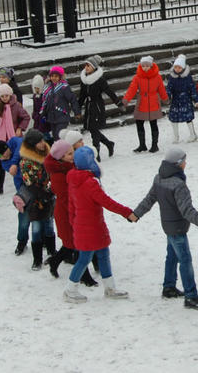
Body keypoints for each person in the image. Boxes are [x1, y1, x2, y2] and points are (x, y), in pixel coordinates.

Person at [131, 146, 198, 310]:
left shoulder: (159, 177)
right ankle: (191, 296)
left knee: (172, 255)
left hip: (167, 225)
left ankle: (169, 287)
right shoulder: (178, 184)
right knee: (185, 260)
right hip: (177, 227)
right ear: (178, 163)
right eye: (184, 161)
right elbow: (186, 209)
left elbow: (149, 199)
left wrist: (136, 214)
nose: (186, 163)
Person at [63, 146, 134, 303]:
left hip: (89, 226)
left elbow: (71, 205)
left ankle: (110, 288)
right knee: (84, 258)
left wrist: (73, 223)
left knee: (103, 254)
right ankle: (70, 290)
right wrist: (127, 212)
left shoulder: (74, 179)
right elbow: (106, 202)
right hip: (90, 227)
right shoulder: (89, 183)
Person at [42, 139, 95, 285]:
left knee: (71, 245)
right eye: (69, 153)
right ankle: (85, 276)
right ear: (61, 157)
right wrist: (78, 211)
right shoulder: (59, 174)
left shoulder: (68, 167)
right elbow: (66, 197)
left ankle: (55, 262)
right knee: (77, 244)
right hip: (68, 213)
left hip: (73, 210)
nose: (73, 155)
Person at [20, 129, 56, 271]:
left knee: (49, 225)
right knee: (36, 229)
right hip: (36, 200)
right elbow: (30, 184)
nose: (42, 143)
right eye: (39, 142)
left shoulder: (48, 155)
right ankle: (37, 259)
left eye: (42, 140)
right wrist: (45, 194)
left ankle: (52, 252)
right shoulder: (26, 162)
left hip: (50, 196)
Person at [78, 54, 120, 160]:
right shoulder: (84, 80)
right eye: (85, 65)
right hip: (89, 106)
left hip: (97, 107)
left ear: (94, 67)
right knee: (93, 130)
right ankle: (109, 144)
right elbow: (82, 95)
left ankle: (96, 154)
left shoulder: (99, 80)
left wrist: (118, 103)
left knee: (94, 130)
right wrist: (77, 109)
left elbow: (109, 91)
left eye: (88, 66)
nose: (86, 67)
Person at [123, 55, 168, 153]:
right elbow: (132, 89)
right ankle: (142, 145)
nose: (145, 68)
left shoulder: (157, 77)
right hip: (142, 102)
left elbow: (161, 89)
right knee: (139, 123)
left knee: (153, 124)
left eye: (147, 65)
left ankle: (154, 145)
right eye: (143, 66)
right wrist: (126, 100)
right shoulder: (137, 77)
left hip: (153, 103)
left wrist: (165, 98)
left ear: (151, 66)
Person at [41, 66, 81, 140]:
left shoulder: (64, 87)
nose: (54, 78)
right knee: (55, 136)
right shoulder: (48, 88)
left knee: (60, 135)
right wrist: (43, 114)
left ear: (60, 77)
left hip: (62, 116)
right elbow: (46, 103)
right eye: (52, 76)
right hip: (51, 117)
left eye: (56, 76)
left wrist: (77, 112)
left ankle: (65, 149)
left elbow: (72, 99)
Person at [166, 54, 198, 143]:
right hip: (175, 101)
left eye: (179, 67)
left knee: (188, 118)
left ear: (183, 68)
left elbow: (192, 88)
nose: (177, 69)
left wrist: (196, 99)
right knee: (173, 118)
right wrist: (168, 96)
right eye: (176, 67)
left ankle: (193, 134)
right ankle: (176, 136)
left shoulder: (187, 77)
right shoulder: (172, 77)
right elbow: (169, 87)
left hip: (186, 100)